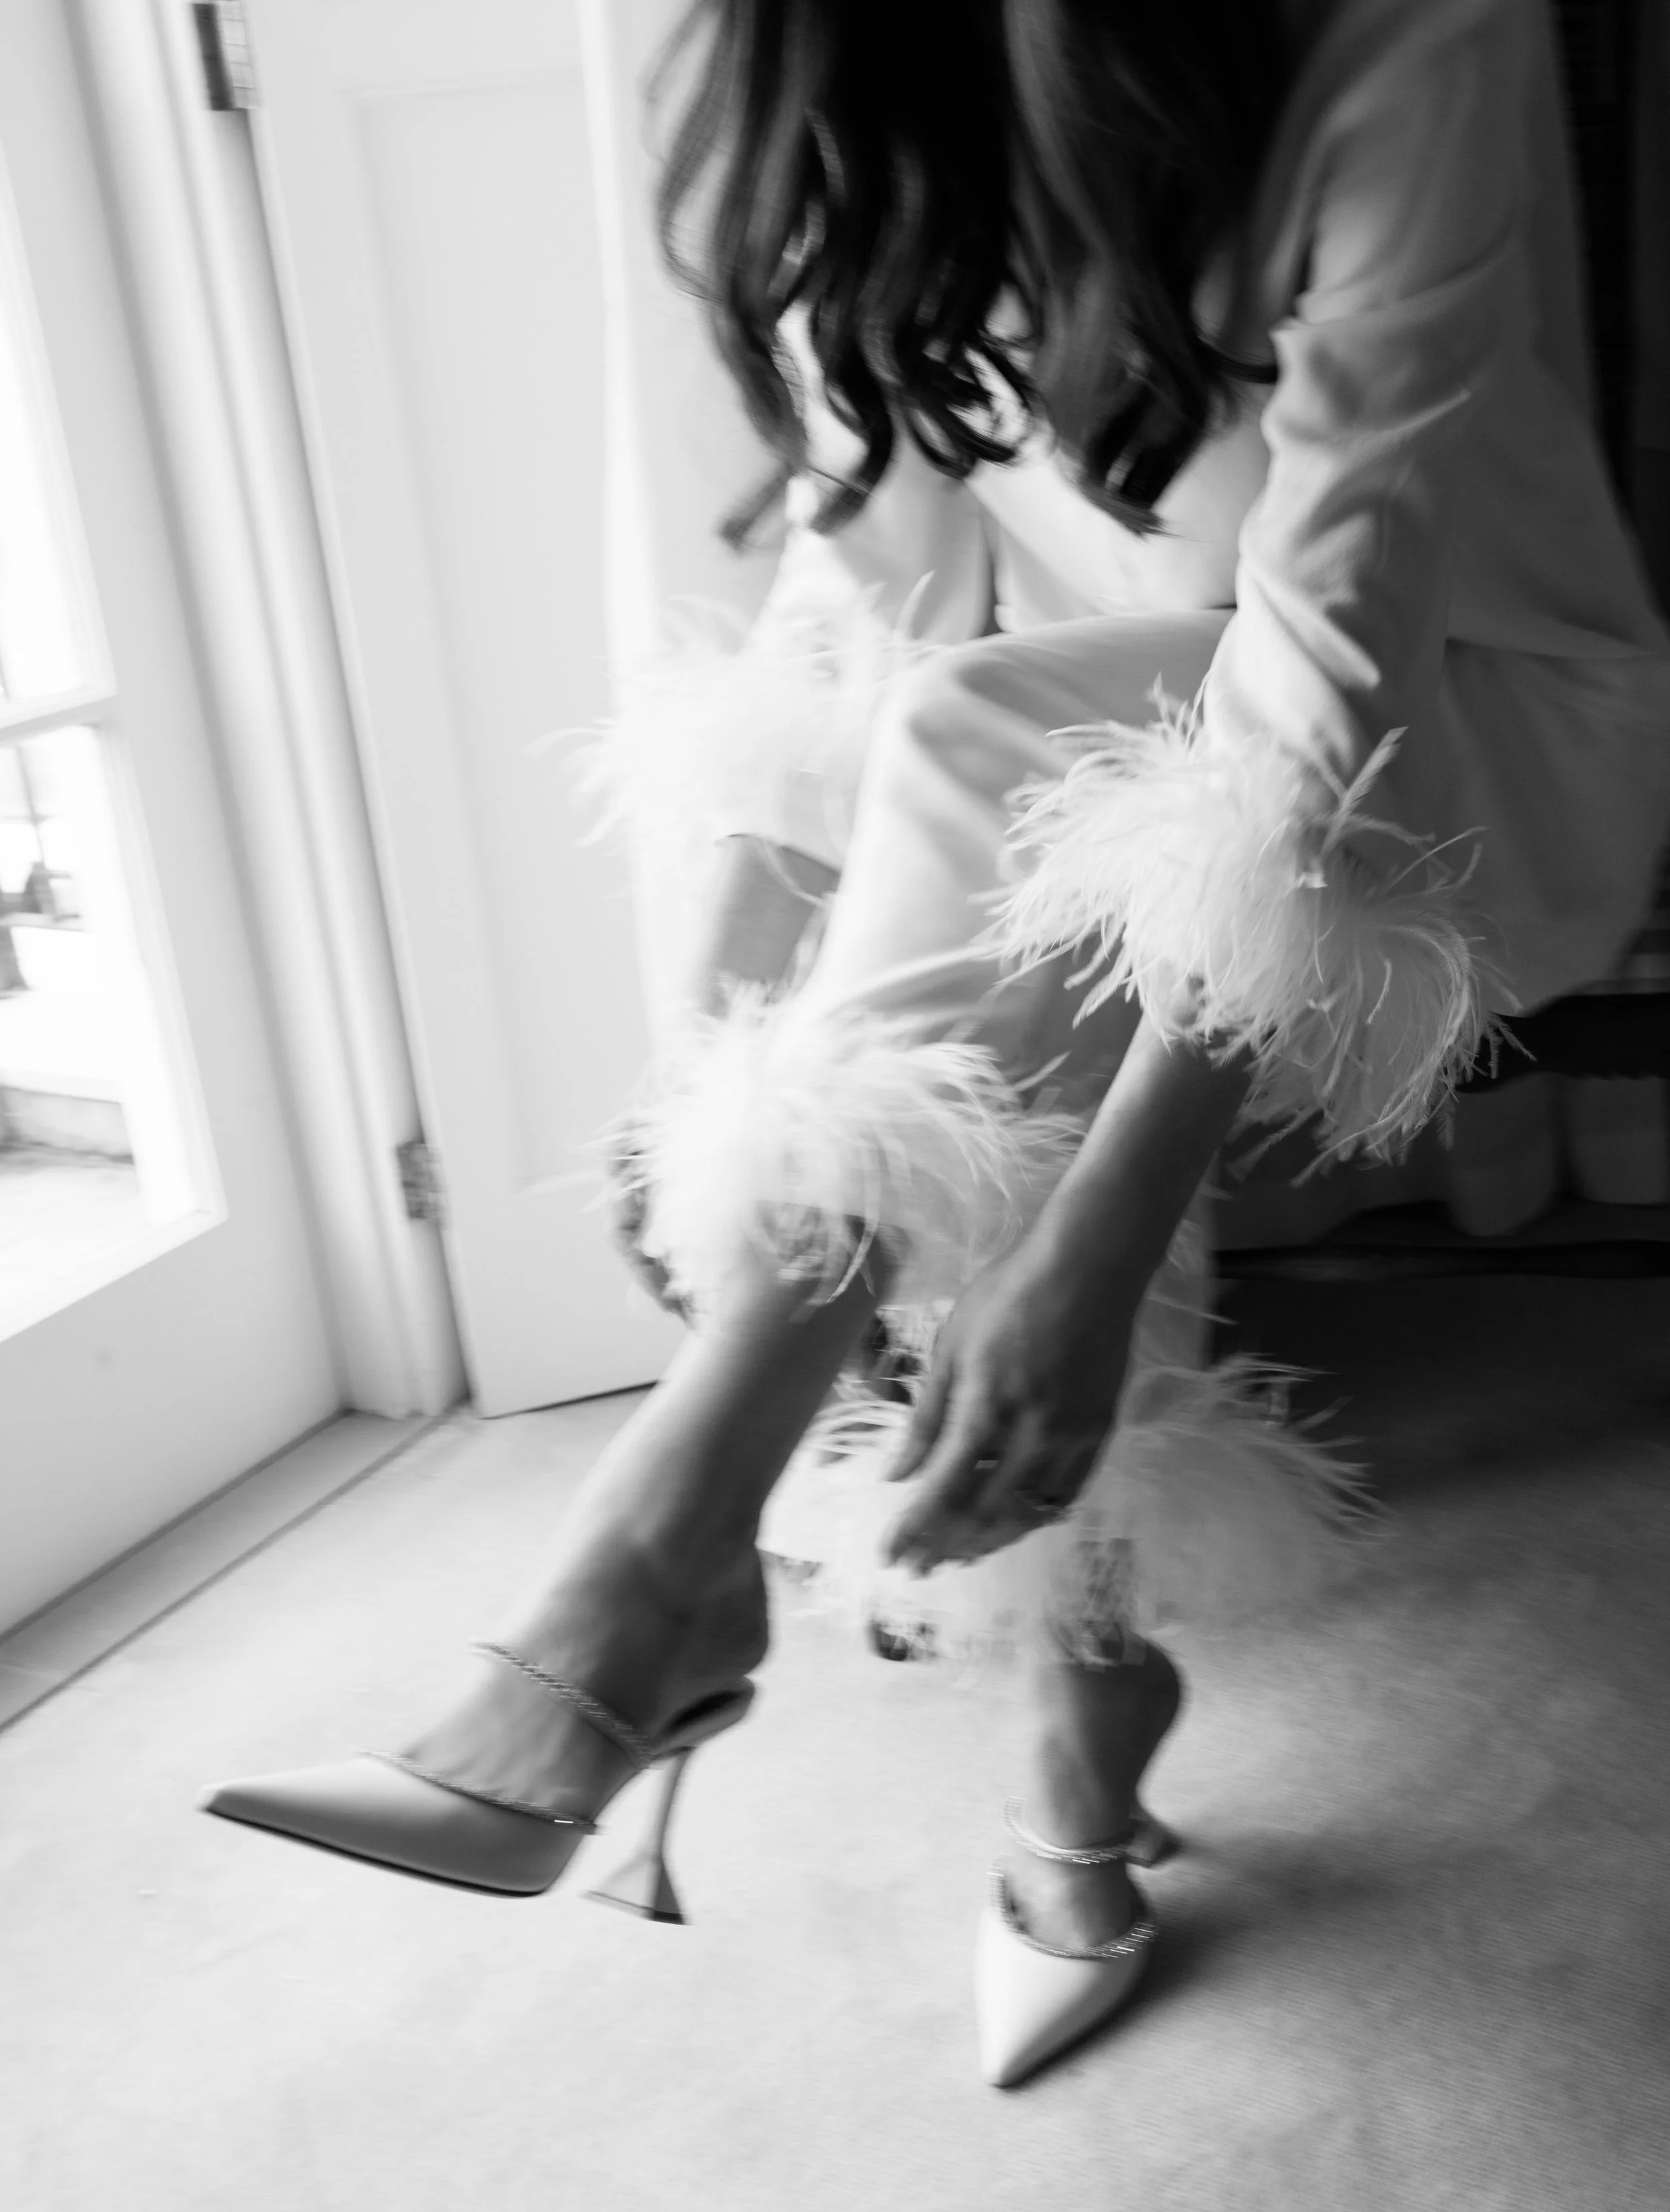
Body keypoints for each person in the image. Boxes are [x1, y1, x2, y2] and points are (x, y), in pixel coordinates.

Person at [200, 0, 1670, 2088]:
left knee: (1003, 770)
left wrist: (1092, 1252)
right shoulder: (845, 55)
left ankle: (648, 1584)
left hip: (1470, 743)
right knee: (994, 861)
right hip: (1098, 741)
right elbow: (867, 584)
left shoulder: (1402, 31)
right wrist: (714, 1068)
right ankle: (1064, 1692)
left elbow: (1332, 650)